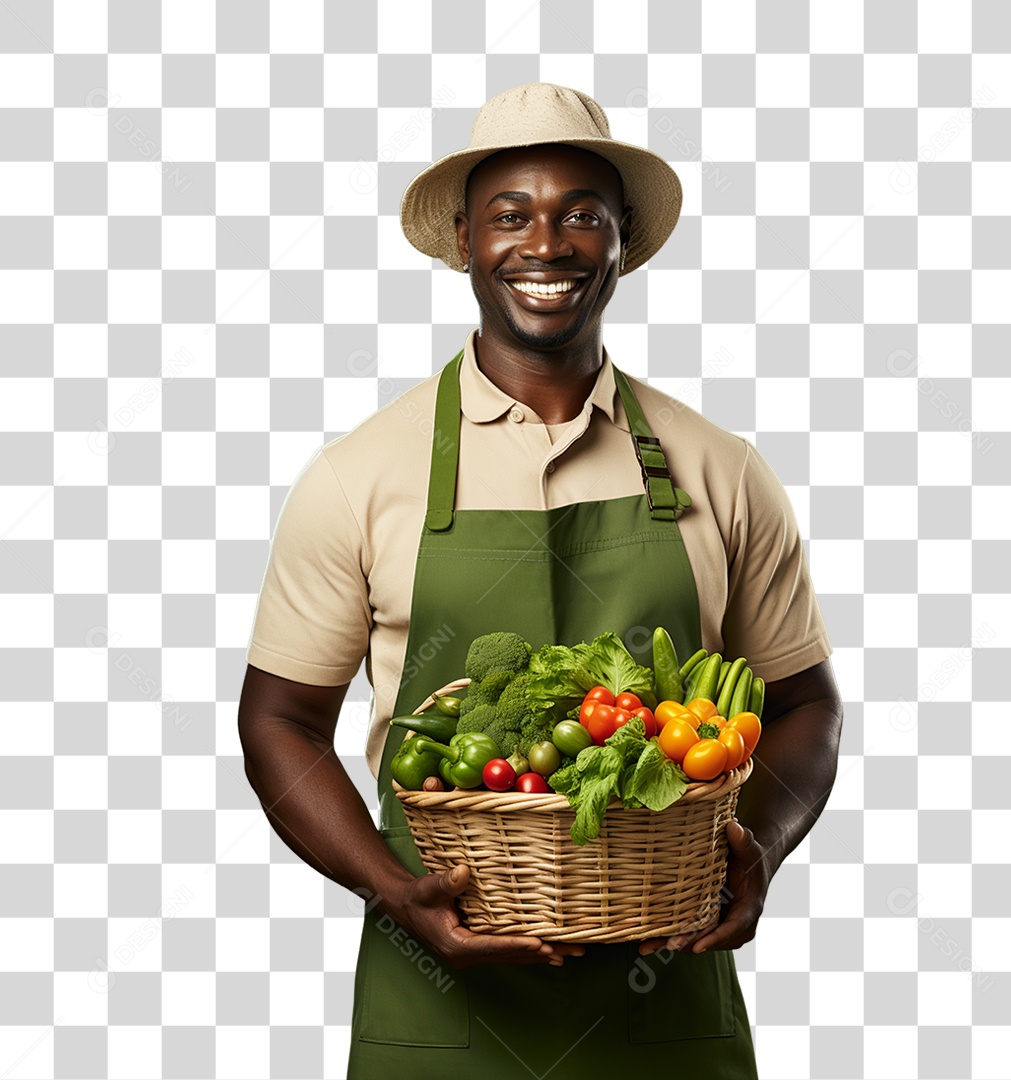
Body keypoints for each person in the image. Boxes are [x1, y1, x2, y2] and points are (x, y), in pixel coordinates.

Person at [239, 82, 843, 1079]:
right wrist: (395, 893)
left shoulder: (719, 469)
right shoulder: (360, 476)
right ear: (466, 243)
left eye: (582, 216)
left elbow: (807, 704)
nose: (547, 244)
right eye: (511, 216)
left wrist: (760, 848)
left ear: (621, 241)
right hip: (436, 1004)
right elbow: (280, 721)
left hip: (666, 993)